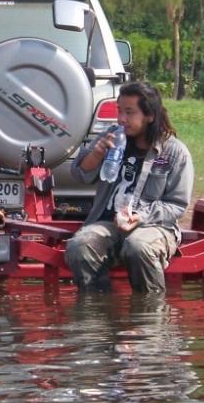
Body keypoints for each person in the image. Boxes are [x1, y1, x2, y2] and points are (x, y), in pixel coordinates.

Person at [65, 81, 194, 293]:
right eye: (119, 111)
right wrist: (97, 153)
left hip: (153, 226)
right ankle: (95, 314)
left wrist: (140, 216)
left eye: (129, 112)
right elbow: (80, 174)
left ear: (149, 115)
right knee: (80, 246)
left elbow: (177, 206)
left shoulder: (174, 153)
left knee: (138, 247)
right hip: (107, 224)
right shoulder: (112, 138)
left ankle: (149, 317)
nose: (121, 119)